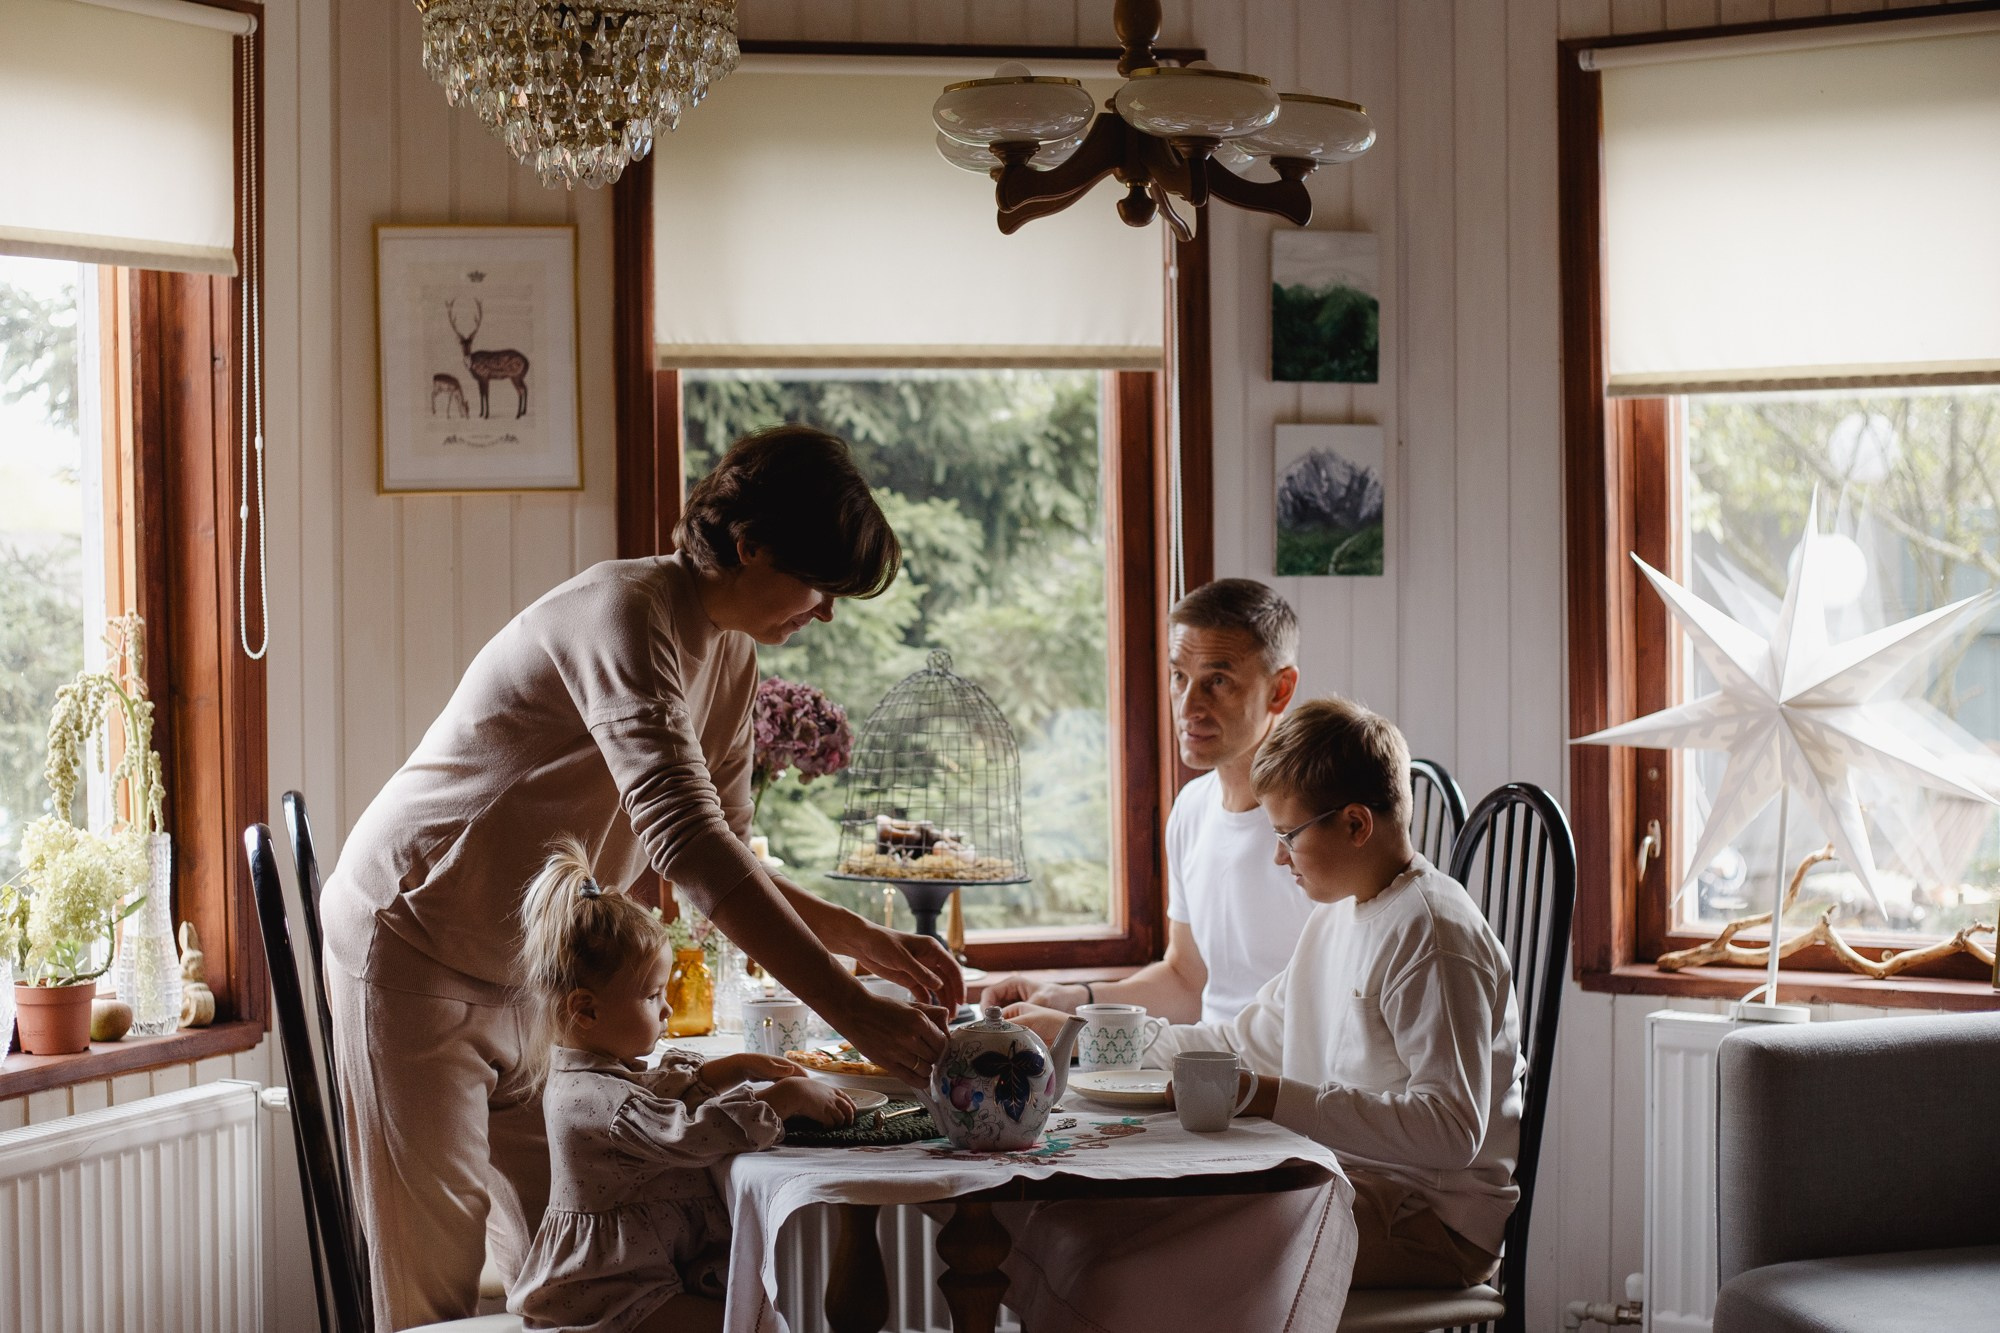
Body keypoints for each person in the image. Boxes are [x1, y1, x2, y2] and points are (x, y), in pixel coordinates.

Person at [320, 425, 964, 1330]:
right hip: (416, 941)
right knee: (435, 1293)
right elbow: (686, 847)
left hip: (544, 978)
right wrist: (854, 1008)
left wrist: (863, 940)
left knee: (578, 1276)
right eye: (820, 586)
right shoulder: (625, 613)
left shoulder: (733, 657)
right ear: (753, 547)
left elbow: (732, 851)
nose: (824, 614)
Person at [1159, 697, 1524, 1288]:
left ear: (1356, 824)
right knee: (1154, 1223)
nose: (1279, 856)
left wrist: (1274, 1098)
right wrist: (1107, 1040)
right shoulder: (1337, 915)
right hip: (1353, 1183)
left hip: (1430, 1222)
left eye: (1288, 835)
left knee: (1191, 1264)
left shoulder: (1430, 932)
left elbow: (1452, 1131)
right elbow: (1244, 1041)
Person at [508, 840, 852, 1333]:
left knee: (758, 1318)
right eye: (652, 996)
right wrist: (783, 1099)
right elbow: (685, 1135)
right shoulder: (595, 1099)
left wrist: (725, 1069)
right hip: (611, 1296)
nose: (667, 1010)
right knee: (755, 1325)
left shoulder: (593, 1076)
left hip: (638, 1280)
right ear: (585, 1010)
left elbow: (652, 1093)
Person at [987, 578, 1312, 1025]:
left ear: (1280, 689)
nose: (1188, 705)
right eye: (1180, 676)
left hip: (1279, 1084)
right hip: (1202, 1070)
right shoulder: (1192, 808)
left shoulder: (1320, 825)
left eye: (1218, 681)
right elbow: (1185, 981)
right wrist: (1071, 999)